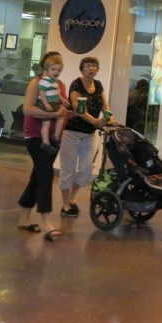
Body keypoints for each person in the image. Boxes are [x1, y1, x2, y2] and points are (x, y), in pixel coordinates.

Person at [18, 52, 67, 240]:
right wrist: (54, 115)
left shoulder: (60, 85)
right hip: (36, 136)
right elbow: (28, 109)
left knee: (37, 176)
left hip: (54, 137)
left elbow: (60, 109)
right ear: (45, 67)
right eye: (54, 67)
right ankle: (47, 222)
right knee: (46, 175)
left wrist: (72, 114)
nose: (57, 71)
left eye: (59, 67)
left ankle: (24, 219)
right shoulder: (36, 83)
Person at [60, 56, 111, 218]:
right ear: (82, 69)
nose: (91, 68)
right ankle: (65, 204)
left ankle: (72, 196)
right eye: (88, 66)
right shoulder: (76, 84)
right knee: (68, 169)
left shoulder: (99, 85)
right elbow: (77, 108)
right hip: (72, 132)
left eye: (94, 66)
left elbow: (105, 105)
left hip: (89, 134)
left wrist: (110, 118)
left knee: (86, 168)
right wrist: (95, 121)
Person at [37, 55, 69, 154]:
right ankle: (46, 141)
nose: (56, 72)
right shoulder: (45, 80)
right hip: (46, 103)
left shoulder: (54, 81)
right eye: (53, 69)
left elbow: (56, 93)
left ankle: (55, 136)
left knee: (60, 117)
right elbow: (42, 92)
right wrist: (46, 104)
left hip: (53, 102)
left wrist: (63, 100)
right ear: (47, 70)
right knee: (46, 123)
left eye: (59, 70)